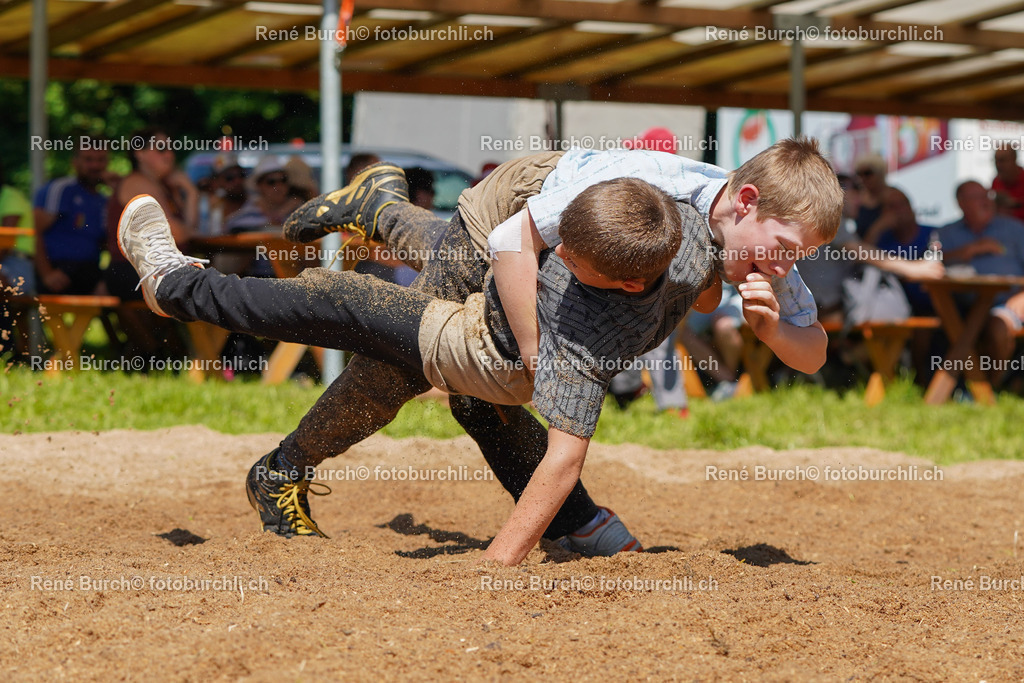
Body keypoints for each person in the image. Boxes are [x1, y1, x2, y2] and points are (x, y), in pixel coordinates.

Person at [119, 137, 841, 567]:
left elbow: (814, 352)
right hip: (518, 205)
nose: (786, 266)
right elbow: (509, 244)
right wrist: (535, 359)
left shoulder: (753, 248)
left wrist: (778, 331)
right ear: (743, 201)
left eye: (800, 256)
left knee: (418, 335)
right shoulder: (641, 191)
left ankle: (377, 208)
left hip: (552, 259)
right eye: (783, 249)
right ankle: (284, 467)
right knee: (398, 355)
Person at [939, 180, 1024, 384]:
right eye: (977, 197)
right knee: (942, 327)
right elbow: (931, 263)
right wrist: (969, 250)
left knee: (998, 326)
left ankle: (991, 390)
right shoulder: (947, 233)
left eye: (988, 196)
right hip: (960, 304)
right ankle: (953, 387)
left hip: (1007, 303)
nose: (986, 202)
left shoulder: (1013, 229)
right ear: (960, 203)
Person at [32, 141, 110, 295]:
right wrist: (47, 273)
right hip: (58, 270)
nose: (95, 165)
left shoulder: (104, 200)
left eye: (100, 160)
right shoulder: (61, 189)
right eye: (88, 159)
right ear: (75, 162)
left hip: (91, 270)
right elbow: (33, 232)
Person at [853, 153, 890, 238]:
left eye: (867, 173)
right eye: (859, 174)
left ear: (880, 174)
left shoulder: (893, 197)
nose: (862, 178)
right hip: (863, 248)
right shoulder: (858, 198)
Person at [992, 148, 1024, 222]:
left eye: (1002, 160)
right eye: (996, 161)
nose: (998, 165)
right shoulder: (996, 181)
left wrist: (1014, 204)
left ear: (1014, 159)